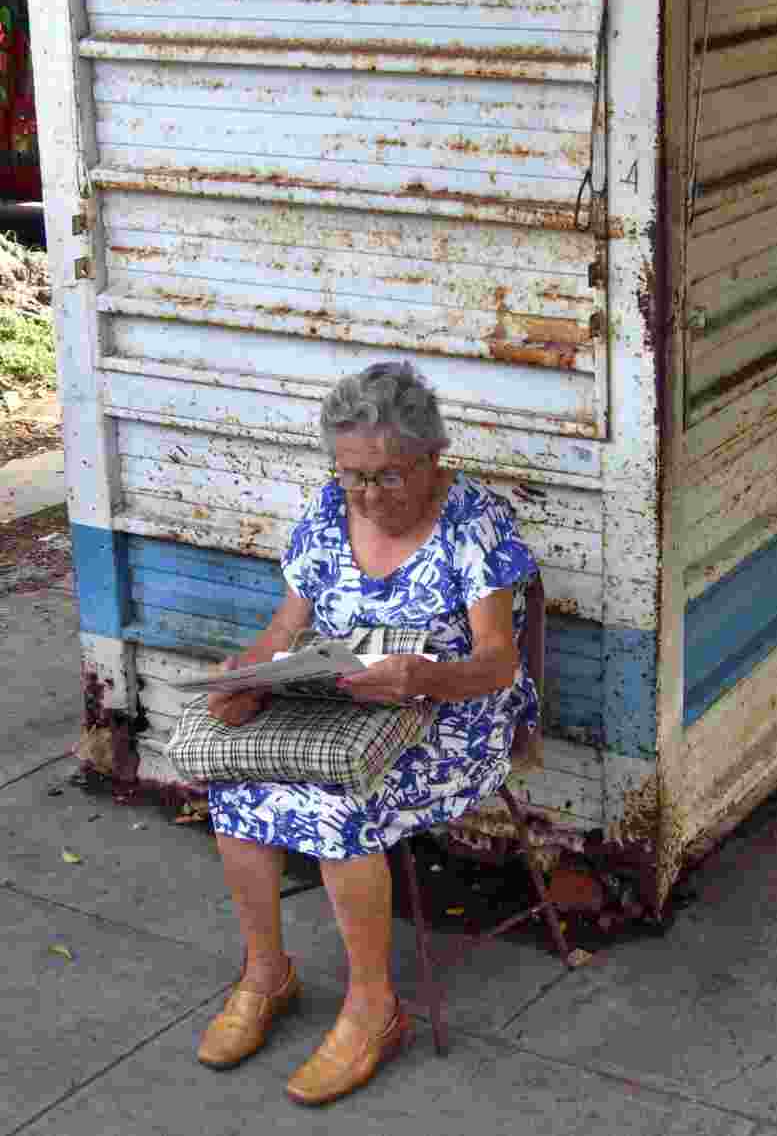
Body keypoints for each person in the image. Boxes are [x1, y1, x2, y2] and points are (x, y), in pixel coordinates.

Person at [196, 361, 540, 1105]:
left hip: (453, 719)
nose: (366, 494)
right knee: (237, 780)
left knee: (336, 807)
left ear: (432, 458)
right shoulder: (328, 509)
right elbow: (284, 630)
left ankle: (373, 1010)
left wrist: (418, 677)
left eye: (386, 477)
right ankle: (266, 974)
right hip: (346, 708)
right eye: (352, 475)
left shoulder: (473, 519)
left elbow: (496, 663)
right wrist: (247, 679)